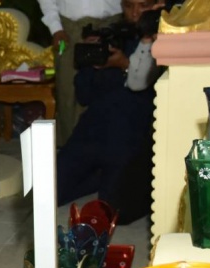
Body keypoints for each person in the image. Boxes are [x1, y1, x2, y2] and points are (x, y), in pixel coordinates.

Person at [56, 0, 163, 225]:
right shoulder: (110, 36)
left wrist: (123, 64)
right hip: (94, 129)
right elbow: (84, 95)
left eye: (142, 6)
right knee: (47, 192)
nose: (134, 13)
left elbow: (150, 92)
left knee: (114, 213)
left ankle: (109, 177)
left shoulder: (162, 39)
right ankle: (98, 175)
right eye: (128, 6)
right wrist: (91, 57)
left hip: (132, 134)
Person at [38, 0, 121, 146]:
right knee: (68, 92)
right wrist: (56, 28)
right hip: (69, 30)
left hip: (112, 25)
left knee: (111, 90)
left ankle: (109, 150)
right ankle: (71, 151)